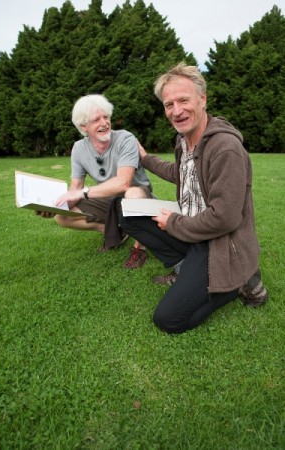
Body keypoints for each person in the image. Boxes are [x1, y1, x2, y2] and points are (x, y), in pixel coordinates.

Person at [120, 62, 269, 334]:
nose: (176, 111)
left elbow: (224, 219)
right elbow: (182, 173)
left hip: (218, 242)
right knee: (128, 213)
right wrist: (145, 159)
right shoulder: (185, 140)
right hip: (192, 228)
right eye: (168, 104)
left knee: (169, 320)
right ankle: (185, 268)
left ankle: (236, 284)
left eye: (183, 100)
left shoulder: (225, 148)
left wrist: (174, 223)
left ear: (203, 99)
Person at [37, 94, 152, 269]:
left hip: (138, 195)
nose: (104, 123)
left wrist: (82, 193)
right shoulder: (79, 148)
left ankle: (140, 248)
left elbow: (123, 183)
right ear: (84, 127)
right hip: (108, 199)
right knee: (62, 218)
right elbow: (75, 188)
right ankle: (117, 232)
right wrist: (54, 206)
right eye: (96, 119)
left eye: (106, 117)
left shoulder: (125, 139)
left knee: (132, 194)